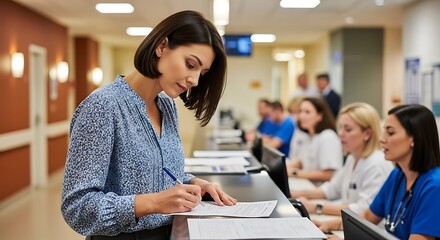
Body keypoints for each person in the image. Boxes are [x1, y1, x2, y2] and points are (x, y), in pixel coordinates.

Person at [61, 10, 237, 239]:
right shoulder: (103, 106)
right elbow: (77, 208)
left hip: (171, 231)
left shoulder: (167, 105)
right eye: (190, 64)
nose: (194, 80)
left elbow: (158, 173)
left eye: (202, 73)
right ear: (162, 46)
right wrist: (153, 203)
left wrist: (191, 182)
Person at [291, 103, 394, 219]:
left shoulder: (376, 163)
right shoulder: (352, 157)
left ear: (367, 133)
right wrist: (297, 194)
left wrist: (316, 207)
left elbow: (364, 209)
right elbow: (332, 189)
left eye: (348, 129)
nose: (341, 133)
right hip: (350, 221)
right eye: (340, 128)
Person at [363, 104, 440, 239]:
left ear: (414, 139)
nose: (382, 139)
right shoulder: (397, 175)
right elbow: (368, 217)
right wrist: (326, 226)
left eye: (391, 133)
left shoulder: (434, 186)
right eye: (384, 132)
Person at [286, 97, 343, 185]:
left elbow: (328, 174)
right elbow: (302, 162)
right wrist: (283, 167)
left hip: (321, 191)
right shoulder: (309, 137)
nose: (301, 116)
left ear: (320, 116)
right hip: (308, 185)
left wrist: (295, 173)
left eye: (307, 112)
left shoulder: (327, 137)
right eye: (300, 111)